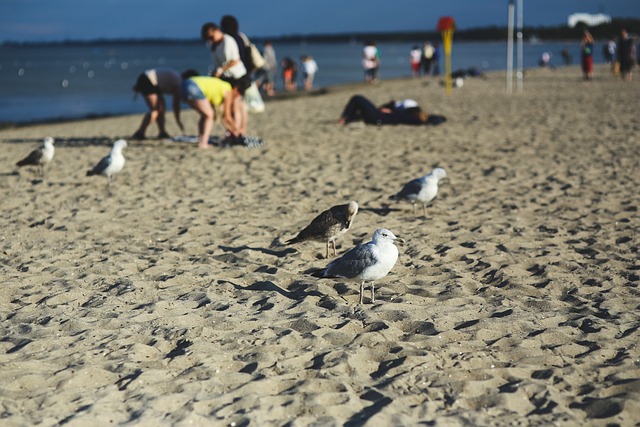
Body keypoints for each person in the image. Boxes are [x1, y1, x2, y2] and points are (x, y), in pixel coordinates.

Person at [201, 22, 249, 141]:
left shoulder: (228, 41)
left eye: (211, 36)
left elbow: (235, 60)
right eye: (208, 38)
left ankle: (239, 132)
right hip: (226, 78)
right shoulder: (214, 45)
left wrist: (221, 69)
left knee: (236, 105)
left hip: (237, 76)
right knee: (230, 106)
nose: (211, 39)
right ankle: (234, 132)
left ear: (217, 30)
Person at [180, 70, 250, 149]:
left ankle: (201, 139)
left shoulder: (220, 86)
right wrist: (238, 130)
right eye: (239, 93)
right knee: (209, 116)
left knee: (205, 115)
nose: (237, 96)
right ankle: (203, 143)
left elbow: (223, 119)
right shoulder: (228, 90)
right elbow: (227, 117)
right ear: (236, 89)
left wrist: (232, 129)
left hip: (184, 85)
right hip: (193, 86)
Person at [132, 67, 184, 140]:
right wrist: (178, 121)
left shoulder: (177, 78)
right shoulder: (179, 83)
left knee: (161, 109)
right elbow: (176, 104)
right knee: (155, 110)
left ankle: (162, 132)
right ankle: (140, 132)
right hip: (148, 80)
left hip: (151, 82)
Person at [337, 95, 445, 126]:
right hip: (378, 117)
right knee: (359, 109)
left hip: (377, 117)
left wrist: (390, 111)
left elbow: (422, 120)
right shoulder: (409, 115)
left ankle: (344, 118)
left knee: (357, 99)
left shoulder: (409, 117)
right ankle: (347, 119)